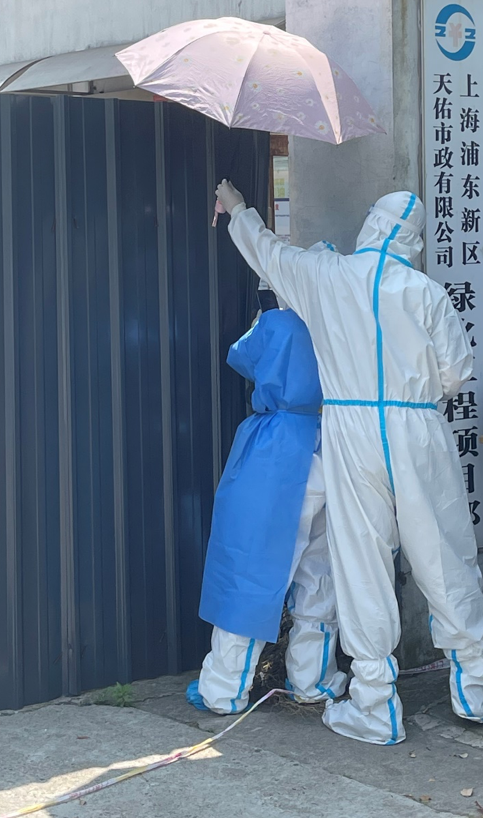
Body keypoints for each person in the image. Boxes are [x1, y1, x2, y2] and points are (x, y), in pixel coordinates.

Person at [213, 181, 483, 745]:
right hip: (417, 426)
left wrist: (238, 209)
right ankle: (475, 689)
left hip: (350, 425)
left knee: (360, 563)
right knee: (445, 556)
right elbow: (456, 374)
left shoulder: (327, 276)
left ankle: (374, 704)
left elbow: (268, 251)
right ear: (415, 240)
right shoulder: (425, 291)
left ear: (370, 224)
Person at [188, 257, 348, 715]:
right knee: (320, 576)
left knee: (250, 570)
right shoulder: (339, 322)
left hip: (276, 453)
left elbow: (240, 356)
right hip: (331, 446)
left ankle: (224, 690)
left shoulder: (274, 323)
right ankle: (315, 681)